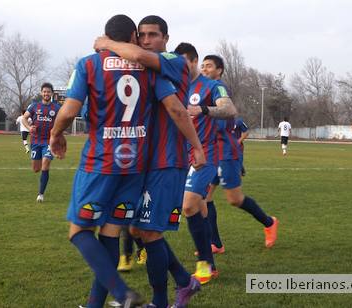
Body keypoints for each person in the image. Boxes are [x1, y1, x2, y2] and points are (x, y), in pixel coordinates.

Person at [51, 15, 203, 308]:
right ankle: (181, 282)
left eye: (152, 35)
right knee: (123, 230)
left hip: (144, 161)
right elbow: (137, 62)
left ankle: (145, 299)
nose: (146, 41)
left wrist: (56, 135)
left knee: (128, 231)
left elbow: (174, 107)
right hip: (137, 164)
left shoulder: (167, 62)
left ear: (166, 38)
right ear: (134, 36)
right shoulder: (147, 69)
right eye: (142, 36)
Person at [200, 54, 278, 257]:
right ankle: (215, 243)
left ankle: (269, 222)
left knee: (234, 199)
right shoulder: (201, 90)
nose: (204, 69)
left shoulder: (218, 88)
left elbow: (225, 109)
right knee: (204, 198)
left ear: (219, 71)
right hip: (209, 151)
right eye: (203, 65)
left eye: (209, 66)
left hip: (226, 151)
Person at [174, 44, 238, 285]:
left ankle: (204, 265)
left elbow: (229, 109)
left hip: (206, 154)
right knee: (199, 207)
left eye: (183, 63)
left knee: (188, 206)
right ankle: (209, 264)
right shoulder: (175, 86)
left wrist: (201, 109)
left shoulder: (212, 85)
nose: (179, 68)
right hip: (180, 155)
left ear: (193, 61)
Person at [22, 83, 61, 203]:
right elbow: (24, 118)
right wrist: (29, 128)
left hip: (49, 141)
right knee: (36, 169)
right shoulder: (34, 106)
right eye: (44, 91)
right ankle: (41, 185)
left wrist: (58, 132)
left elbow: (63, 120)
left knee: (46, 163)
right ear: (41, 93)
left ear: (52, 93)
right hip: (36, 141)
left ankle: (40, 194)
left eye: (48, 92)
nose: (46, 94)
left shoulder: (56, 108)